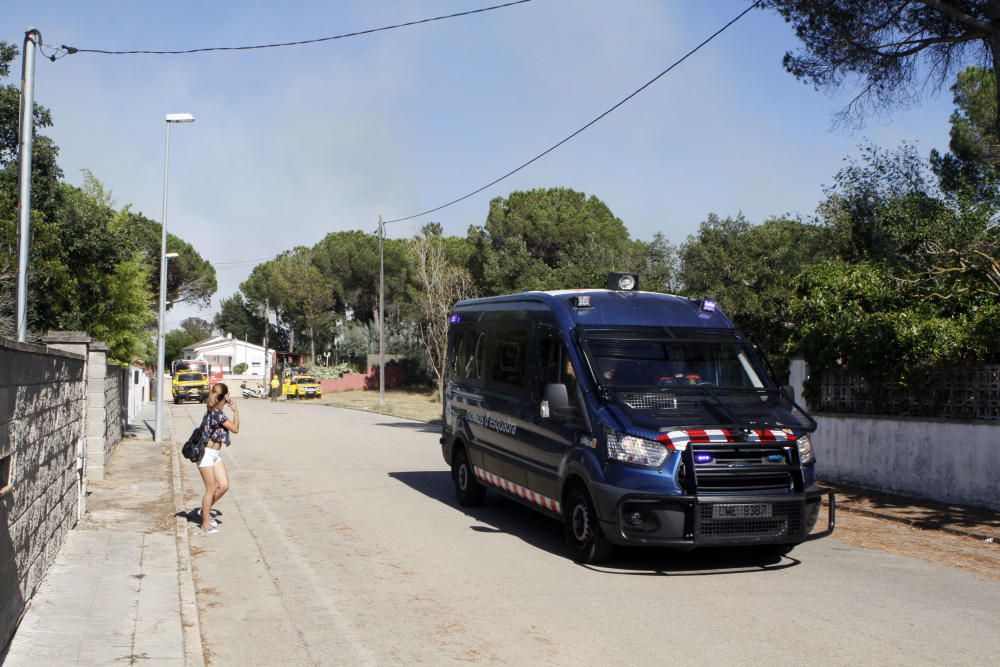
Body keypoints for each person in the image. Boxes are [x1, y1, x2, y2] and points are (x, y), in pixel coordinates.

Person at [197, 383, 239, 535]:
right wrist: (235, 410)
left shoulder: (215, 410)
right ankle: (205, 523)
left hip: (214, 454)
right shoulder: (217, 413)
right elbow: (235, 429)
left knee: (224, 485)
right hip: (206, 454)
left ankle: (204, 510)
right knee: (211, 489)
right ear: (225, 397)